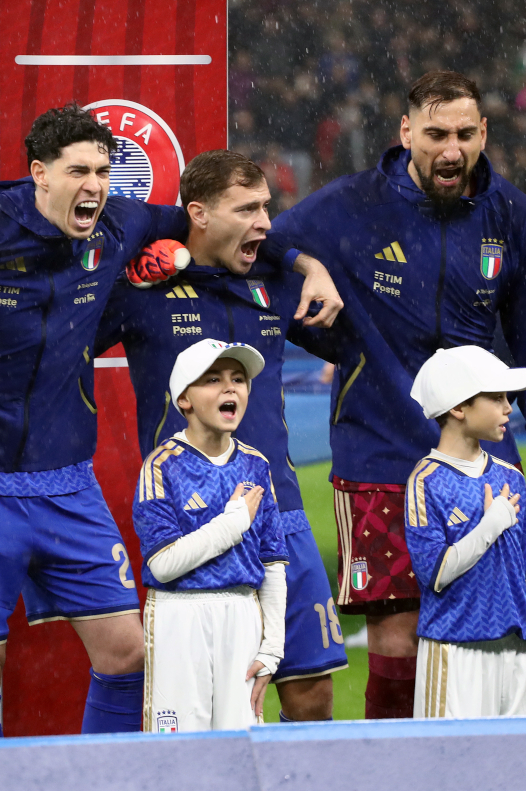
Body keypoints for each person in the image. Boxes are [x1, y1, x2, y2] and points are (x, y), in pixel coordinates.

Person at [0, 104, 343, 736]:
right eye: (79, 171)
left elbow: (224, 224)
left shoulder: (121, 222)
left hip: (70, 487)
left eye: (104, 171)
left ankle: (102, 782)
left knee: (129, 656)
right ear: (40, 174)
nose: (94, 186)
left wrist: (309, 263)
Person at [260, 70, 526, 719]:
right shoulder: (352, 205)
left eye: (465, 134)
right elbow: (268, 243)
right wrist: (315, 271)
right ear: (406, 132)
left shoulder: (511, 216)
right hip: (377, 446)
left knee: (508, 618)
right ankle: (396, 782)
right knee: (395, 635)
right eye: (436, 133)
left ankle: (514, 777)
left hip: (483, 454)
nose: (451, 149)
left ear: (483, 133)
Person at [98, 150, 347, 722]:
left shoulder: (279, 283)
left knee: (311, 693)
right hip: (190, 521)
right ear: (199, 214)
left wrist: (311, 265)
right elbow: (66, 333)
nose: (265, 221)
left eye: (267, 207)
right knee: (203, 705)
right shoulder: (142, 288)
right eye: (247, 209)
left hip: (278, 512)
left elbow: (306, 272)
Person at [133, 339, 287, 732]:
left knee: (240, 751)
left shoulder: (256, 464)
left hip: (242, 616)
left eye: (238, 379)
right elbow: (164, 564)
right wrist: (232, 523)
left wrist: (272, 648)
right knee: (179, 757)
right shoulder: (161, 466)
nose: (230, 388)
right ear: (184, 399)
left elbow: (271, 562)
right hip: (178, 617)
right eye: (213, 380)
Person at [405, 346, 526, 717]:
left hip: (514, 654)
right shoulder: (426, 482)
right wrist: (490, 525)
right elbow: (436, 574)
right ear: (458, 408)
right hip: (453, 654)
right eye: (497, 397)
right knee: (452, 771)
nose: (509, 407)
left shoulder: (511, 477)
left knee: (516, 769)